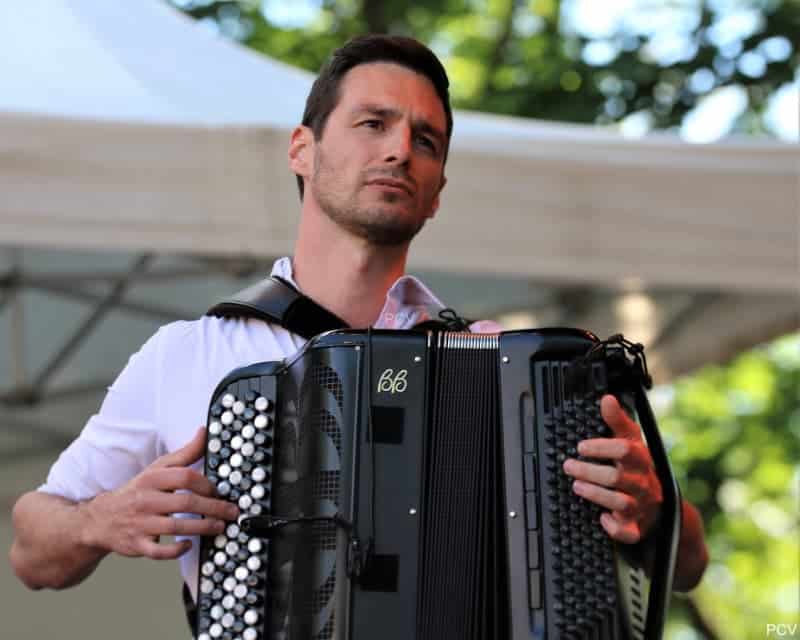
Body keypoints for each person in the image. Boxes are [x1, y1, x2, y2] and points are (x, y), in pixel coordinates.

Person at [9, 34, 707, 611]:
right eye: (373, 124)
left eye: (426, 140)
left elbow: (691, 560)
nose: (400, 150)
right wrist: (101, 520)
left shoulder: (508, 368)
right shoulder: (187, 353)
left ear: (436, 194)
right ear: (301, 150)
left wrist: (654, 507)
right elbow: (33, 552)